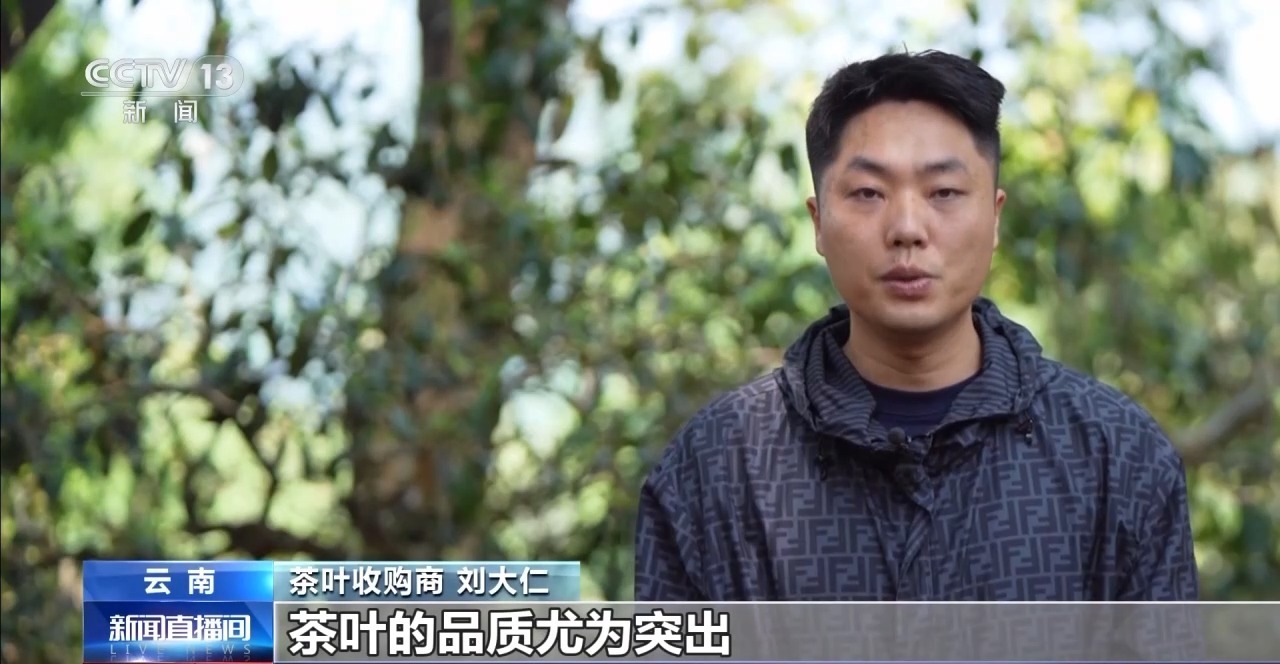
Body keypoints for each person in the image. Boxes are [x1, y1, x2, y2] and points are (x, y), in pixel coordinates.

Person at [633, 50, 1199, 601]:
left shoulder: (1115, 455)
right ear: (818, 222)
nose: (907, 227)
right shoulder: (714, 469)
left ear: (995, 216)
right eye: (868, 193)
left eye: (944, 192)